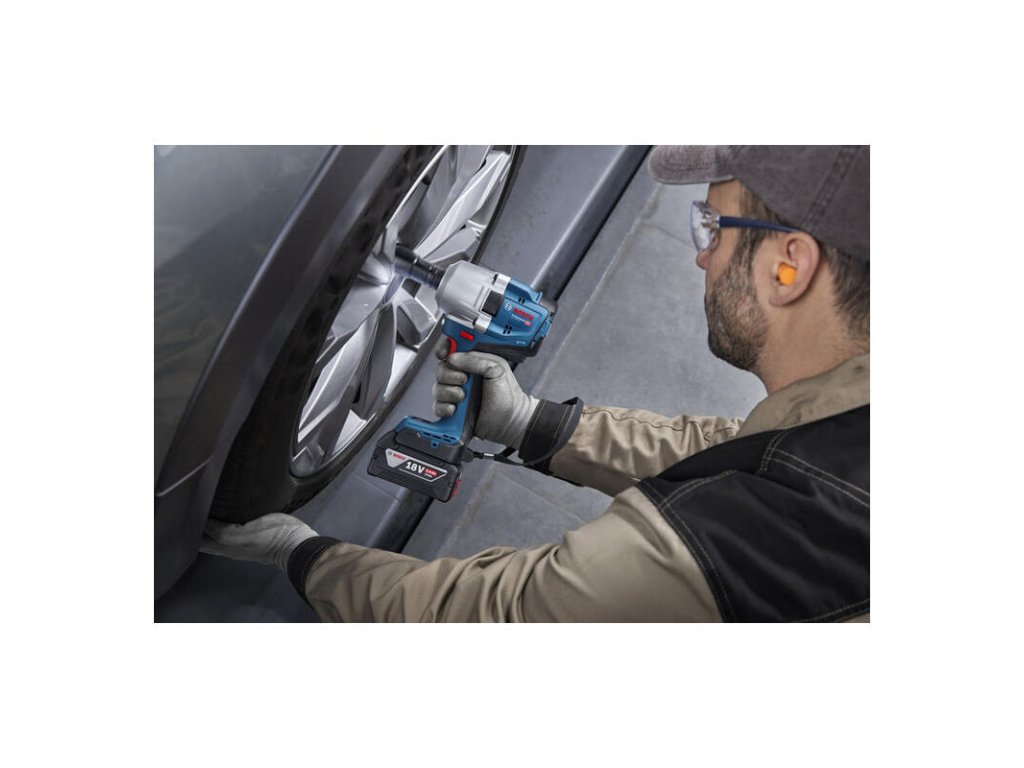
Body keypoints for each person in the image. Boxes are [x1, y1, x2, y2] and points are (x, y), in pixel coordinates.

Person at [201, 145, 870, 622]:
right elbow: (746, 450)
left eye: (712, 224)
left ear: (789, 268)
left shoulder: (751, 543)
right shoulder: (843, 427)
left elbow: (497, 613)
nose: (700, 253)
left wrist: (305, 555)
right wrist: (535, 425)